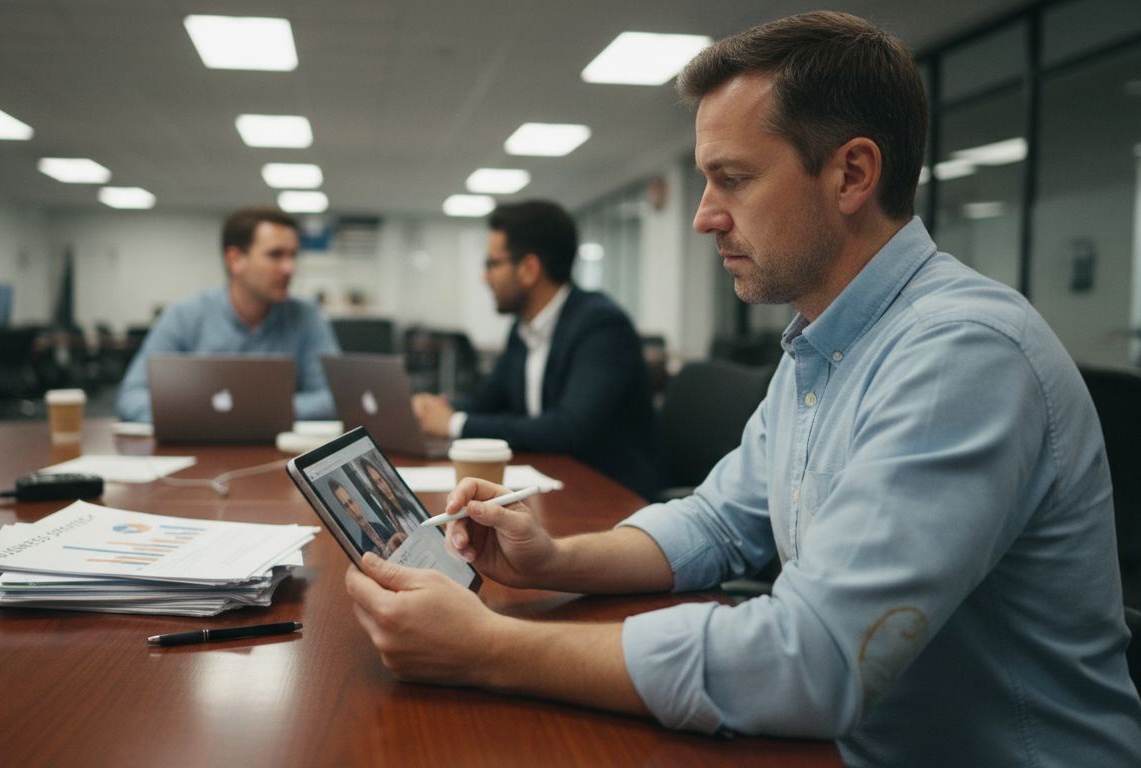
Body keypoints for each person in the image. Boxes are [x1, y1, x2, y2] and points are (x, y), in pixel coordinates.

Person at [346, 12, 1141, 766]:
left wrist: (487, 647)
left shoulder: (960, 354)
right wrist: (551, 559)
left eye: (733, 179)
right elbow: (721, 523)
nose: (703, 218)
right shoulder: (820, 343)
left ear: (852, 174)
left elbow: (813, 660)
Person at [411, 200, 665, 500]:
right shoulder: (524, 328)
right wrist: (440, 409)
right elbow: (490, 396)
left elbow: (570, 428)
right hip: (554, 480)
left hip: (609, 492)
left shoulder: (601, 326)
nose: (485, 277)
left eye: (492, 264)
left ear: (529, 269)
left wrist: (454, 423)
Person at [115, 206, 339, 422]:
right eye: (276, 255)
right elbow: (131, 397)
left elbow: (334, 398)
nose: (290, 268)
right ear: (235, 260)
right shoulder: (185, 315)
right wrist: (208, 414)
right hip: (200, 449)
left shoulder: (306, 316)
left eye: (293, 255)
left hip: (278, 455)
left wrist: (241, 412)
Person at [330, 478, 405, 558]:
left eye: (351, 501)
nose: (352, 508)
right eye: (346, 506)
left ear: (355, 501)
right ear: (346, 512)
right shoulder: (364, 545)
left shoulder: (378, 526)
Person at [359, 456, 422, 536]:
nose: (383, 487)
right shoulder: (388, 515)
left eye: (381, 480)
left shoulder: (408, 502)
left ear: (385, 479)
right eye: (376, 484)